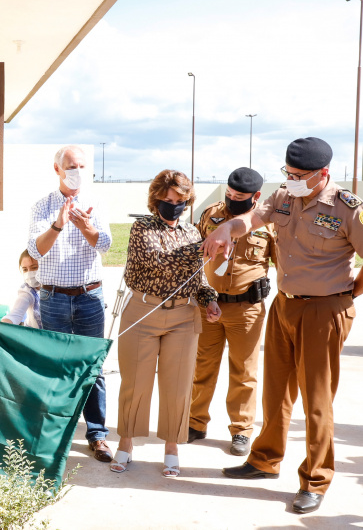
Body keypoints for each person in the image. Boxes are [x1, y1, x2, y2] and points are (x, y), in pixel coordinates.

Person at [205, 137, 363, 514]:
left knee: (316, 400)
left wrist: (348, 295)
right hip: (283, 305)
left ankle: (315, 479)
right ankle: (264, 460)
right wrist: (227, 229)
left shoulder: (348, 209)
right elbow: (252, 218)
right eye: (287, 173)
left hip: (325, 311)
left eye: (299, 175)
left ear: (323, 173)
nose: (290, 179)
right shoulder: (284, 198)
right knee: (275, 391)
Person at [110, 169, 221, 478]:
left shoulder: (193, 232)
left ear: (188, 202)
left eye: (180, 200)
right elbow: (159, 261)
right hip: (143, 312)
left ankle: (171, 447)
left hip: (184, 317)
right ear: (155, 199)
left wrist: (209, 299)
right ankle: (126, 442)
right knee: (136, 384)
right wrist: (205, 247)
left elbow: (197, 279)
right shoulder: (142, 227)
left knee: (177, 386)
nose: (173, 205)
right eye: (167, 199)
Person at [26, 145, 113, 463]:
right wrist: (59, 223)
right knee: (56, 369)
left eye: (81, 165)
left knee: (93, 367)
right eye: (71, 166)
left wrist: (85, 227)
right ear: (57, 169)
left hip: (89, 297)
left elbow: (105, 244)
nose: (77, 170)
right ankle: (55, 436)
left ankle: (98, 435)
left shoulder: (96, 202)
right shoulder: (43, 206)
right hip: (52, 298)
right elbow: (35, 251)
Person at [187, 167, 274, 457]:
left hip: (246, 309)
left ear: (256, 197)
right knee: (202, 366)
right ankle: (195, 422)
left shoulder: (267, 222)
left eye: (240, 196)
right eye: (229, 193)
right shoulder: (211, 214)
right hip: (208, 304)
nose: (232, 199)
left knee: (244, 371)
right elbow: (194, 253)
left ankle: (241, 430)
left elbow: (284, 264)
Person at [1, 249, 41, 328]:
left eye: (34, 268)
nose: (29, 273)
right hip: (34, 337)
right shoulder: (27, 291)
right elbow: (15, 314)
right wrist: (2, 327)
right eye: (25, 269)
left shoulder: (57, 288)